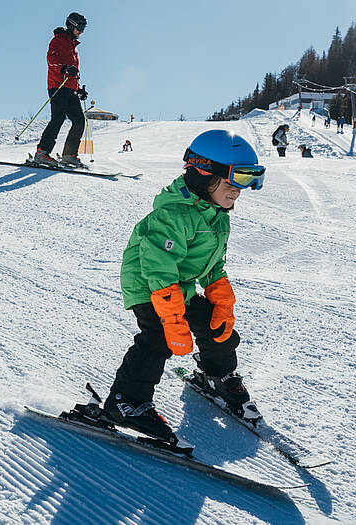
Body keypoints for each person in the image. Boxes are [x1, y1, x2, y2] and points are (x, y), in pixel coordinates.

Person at [70, 129, 265, 444]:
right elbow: (159, 269)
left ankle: (217, 375)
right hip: (149, 286)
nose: (238, 192)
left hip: (179, 287)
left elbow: (213, 264)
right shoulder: (172, 215)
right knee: (159, 336)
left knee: (218, 327)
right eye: (233, 182)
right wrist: (173, 318)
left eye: (246, 182)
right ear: (204, 176)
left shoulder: (217, 216)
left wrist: (222, 298)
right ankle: (126, 403)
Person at [33, 12, 90, 169]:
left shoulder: (74, 48)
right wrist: (65, 68)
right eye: (79, 28)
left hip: (70, 88)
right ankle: (42, 153)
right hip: (57, 85)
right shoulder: (58, 40)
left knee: (79, 120)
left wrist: (78, 89)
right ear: (71, 25)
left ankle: (69, 155)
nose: (81, 32)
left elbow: (73, 72)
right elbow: (52, 60)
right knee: (58, 118)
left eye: (83, 28)